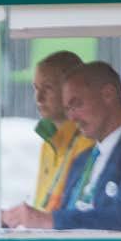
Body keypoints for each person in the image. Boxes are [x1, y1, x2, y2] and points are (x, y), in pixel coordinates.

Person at [3, 62, 121, 232]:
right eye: (67, 109)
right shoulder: (82, 159)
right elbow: (63, 216)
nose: (72, 117)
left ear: (108, 94)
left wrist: (50, 220)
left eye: (77, 104)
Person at [31, 50, 94, 212]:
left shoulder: (89, 144)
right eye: (35, 88)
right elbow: (41, 210)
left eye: (48, 88)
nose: (38, 98)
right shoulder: (48, 144)